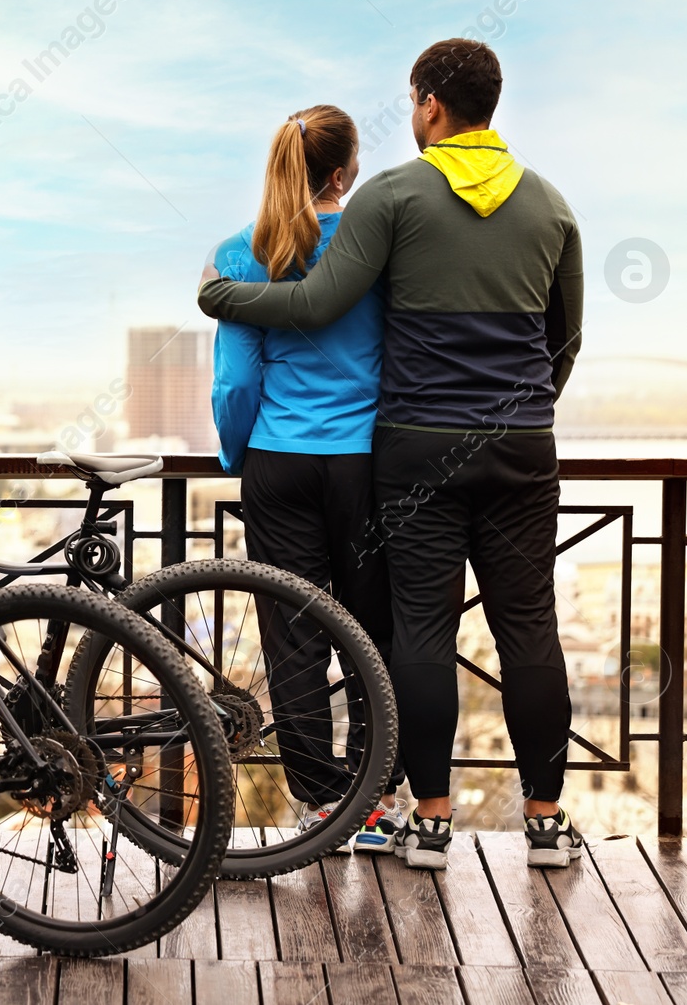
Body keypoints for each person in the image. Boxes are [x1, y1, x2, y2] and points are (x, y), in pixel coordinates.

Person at [198, 38, 585, 870]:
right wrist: (524, 406)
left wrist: (220, 295)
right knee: (524, 625)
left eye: (413, 102)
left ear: (430, 104)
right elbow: (567, 336)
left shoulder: (392, 199)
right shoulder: (551, 204)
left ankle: (422, 816)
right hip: (497, 444)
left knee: (410, 627)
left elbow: (311, 307)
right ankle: (546, 819)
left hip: (398, 451)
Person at [206, 104, 405, 853]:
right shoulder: (376, 246)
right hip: (366, 464)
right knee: (372, 631)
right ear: (344, 170)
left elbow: (235, 382)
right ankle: (377, 801)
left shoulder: (241, 251)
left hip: (279, 461)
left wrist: (241, 452)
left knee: (294, 636)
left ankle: (321, 806)